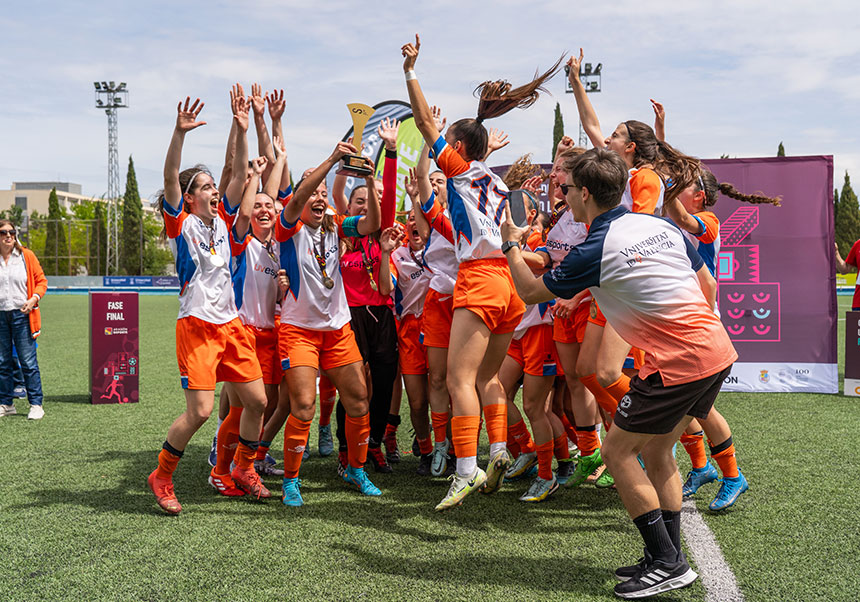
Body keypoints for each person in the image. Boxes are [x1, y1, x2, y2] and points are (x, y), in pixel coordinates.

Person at [501, 147, 737, 598]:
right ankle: (669, 556)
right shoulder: (658, 224)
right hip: (715, 348)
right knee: (659, 452)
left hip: (682, 361)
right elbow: (707, 283)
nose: (564, 195)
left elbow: (530, 292)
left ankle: (668, 563)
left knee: (618, 453)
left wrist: (512, 245)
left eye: (567, 188)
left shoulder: (598, 244)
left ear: (584, 193)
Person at [401, 34, 562, 511]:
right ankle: (497, 450)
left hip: (481, 280)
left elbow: (426, 122)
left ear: (457, 148)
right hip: (511, 285)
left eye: (447, 146)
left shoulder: (461, 170)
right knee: (488, 378)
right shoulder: (492, 178)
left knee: (458, 382)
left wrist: (410, 72)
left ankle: (465, 472)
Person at [148, 93, 271, 516]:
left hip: (232, 325)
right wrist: (178, 133)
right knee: (200, 411)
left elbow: (236, 172)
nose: (214, 192)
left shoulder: (224, 223)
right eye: (204, 187)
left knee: (256, 402)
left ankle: (243, 468)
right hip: (197, 326)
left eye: (214, 188)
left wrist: (240, 125)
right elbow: (169, 177)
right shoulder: (180, 224)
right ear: (188, 196)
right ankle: (162, 476)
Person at [274, 139, 383, 507]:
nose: (319, 197)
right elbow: (295, 198)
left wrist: (368, 182)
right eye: (313, 192)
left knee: (358, 402)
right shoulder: (287, 226)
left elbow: (374, 223)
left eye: (324, 192)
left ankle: (356, 468)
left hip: (337, 329)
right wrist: (332, 159)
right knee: (303, 406)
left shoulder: (336, 226)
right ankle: (291, 480)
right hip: (299, 331)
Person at [0, 219, 47, 420]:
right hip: (1, 315)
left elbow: (42, 281)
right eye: (3, 232)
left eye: (11, 232)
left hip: (22, 314)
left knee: (27, 362)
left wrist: (33, 298)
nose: (8, 236)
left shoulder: (26, 256)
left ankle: (36, 404)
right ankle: (6, 403)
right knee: (2, 362)